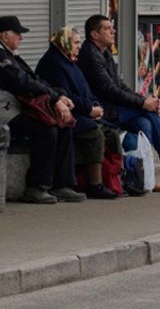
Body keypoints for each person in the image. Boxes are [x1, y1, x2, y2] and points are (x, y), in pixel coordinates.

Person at [0, 16, 87, 204]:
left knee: (64, 124)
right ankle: (37, 186)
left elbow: (33, 78)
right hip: (0, 113)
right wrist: (54, 98)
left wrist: (58, 95)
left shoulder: (9, 55)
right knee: (46, 130)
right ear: (5, 35)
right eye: (18, 34)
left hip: (17, 109)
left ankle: (62, 184)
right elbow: (21, 82)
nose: (21, 39)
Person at [77, 15, 160, 168]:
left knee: (144, 123)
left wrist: (144, 100)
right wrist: (143, 104)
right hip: (102, 111)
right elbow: (109, 90)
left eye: (112, 28)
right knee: (149, 112)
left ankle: (143, 176)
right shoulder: (90, 56)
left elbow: (119, 85)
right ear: (95, 34)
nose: (113, 31)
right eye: (107, 28)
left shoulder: (104, 53)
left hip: (113, 107)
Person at [36, 26, 120, 199]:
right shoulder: (54, 63)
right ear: (64, 42)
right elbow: (67, 94)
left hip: (82, 112)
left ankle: (115, 180)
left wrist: (95, 106)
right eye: (75, 42)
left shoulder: (70, 60)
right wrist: (90, 110)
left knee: (112, 134)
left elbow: (85, 91)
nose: (78, 47)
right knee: (95, 134)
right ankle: (94, 184)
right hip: (64, 114)